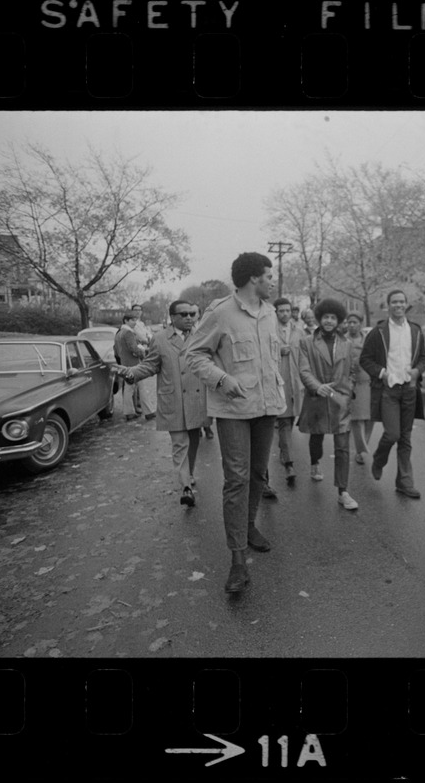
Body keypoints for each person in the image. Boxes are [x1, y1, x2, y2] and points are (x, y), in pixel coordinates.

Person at [185, 252, 286, 594]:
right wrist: (222, 380)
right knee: (237, 480)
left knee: (259, 474)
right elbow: (193, 354)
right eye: (269, 276)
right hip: (233, 410)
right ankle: (237, 560)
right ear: (254, 279)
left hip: (267, 407)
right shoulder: (221, 313)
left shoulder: (271, 313)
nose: (273, 281)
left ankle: (249, 526)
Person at [117, 301, 208, 507]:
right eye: (183, 314)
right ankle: (186, 486)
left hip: (196, 398)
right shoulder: (160, 339)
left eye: (191, 314)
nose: (188, 318)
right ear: (172, 317)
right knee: (179, 443)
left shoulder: (202, 336)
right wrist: (131, 373)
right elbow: (150, 365)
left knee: (193, 441)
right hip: (172, 398)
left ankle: (189, 473)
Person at [358, 289, 425, 499]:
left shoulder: (416, 331)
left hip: (409, 389)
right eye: (394, 302)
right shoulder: (378, 331)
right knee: (392, 434)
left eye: (402, 302)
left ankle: (404, 483)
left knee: (405, 438)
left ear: (406, 305)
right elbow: (365, 359)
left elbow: (423, 357)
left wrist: (417, 371)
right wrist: (382, 373)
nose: (398, 305)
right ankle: (379, 460)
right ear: (388, 306)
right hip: (388, 389)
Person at [297, 298, 359, 510]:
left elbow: (352, 371)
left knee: (343, 447)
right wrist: (316, 386)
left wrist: (348, 390)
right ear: (320, 319)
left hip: (340, 401)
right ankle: (315, 463)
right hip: (317, 399)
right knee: (317, 436)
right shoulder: (306, 342)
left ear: (339, 320)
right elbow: (304, 370)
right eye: (326, 317)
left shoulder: (347, 344)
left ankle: (343, 491)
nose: (330, 321)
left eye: (333, 318)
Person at [271, 296, 306, 485]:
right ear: (275, 313)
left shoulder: (298, 331)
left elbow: (304, 357)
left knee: (290, 420)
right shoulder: (269, 331)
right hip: (278, 382)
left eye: (287, 310)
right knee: (284, 421)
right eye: (281, 311)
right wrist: (278, 352)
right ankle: (289, 464)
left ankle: (284, 449)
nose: (285, 314)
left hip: (295, 383)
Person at [345, 313, 374, 465]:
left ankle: (363, 446)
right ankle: (360, 451)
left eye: (354, 322)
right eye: (349, 322)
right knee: (357, 419)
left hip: (368, 381)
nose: (351, 325)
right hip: (351, 383)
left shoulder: (368, 340)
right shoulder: (342, 340)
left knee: (369, 418)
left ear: (360, 324)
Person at [190, 303, 216, 440]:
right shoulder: (185, 330)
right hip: (191, 370)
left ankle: (207, 426)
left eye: (193, 313)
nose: (190, 317)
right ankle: (197, 427)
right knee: (193, 401)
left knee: (205, 400)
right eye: (188, 314)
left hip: (205, 367)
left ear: (199, 314)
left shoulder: (205, 326)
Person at [113, 312, 143, 421]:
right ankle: (129, 412)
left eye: (136, 320)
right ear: (126, 320)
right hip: (132, 363)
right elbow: (134, 349)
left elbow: (115, 350)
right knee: (131, 389)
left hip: (124, 363)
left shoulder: (119, 333)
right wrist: (143, 353)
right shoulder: (128, 333)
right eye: (133, 320)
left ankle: (131, 410)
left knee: (129, 388)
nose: (135, 322)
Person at [130, 303, 157, 420]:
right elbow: (142, 337)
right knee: (137, 383)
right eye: (135, 310)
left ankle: (140, 406)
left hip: (143, 353)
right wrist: (147, 339)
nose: (137, 312)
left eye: (139, 310)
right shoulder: (132, 324)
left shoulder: (141, 323)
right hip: (136, 355)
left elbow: (148, 335)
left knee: (139, 383)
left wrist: (148, 338)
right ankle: (139, 408)